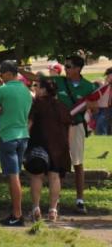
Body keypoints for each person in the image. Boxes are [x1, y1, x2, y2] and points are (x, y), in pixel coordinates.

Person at [0, 60, 33, 226]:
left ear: (8, 73)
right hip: (23, 135)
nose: (1, 76)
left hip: (8, 136)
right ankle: (16, 213)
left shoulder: (3, 89)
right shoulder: (26, 90)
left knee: (13, 176)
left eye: (1, 73)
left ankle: (17, 214)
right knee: (15, 175)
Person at [54, 54, 98, 213]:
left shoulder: (88, 86)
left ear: (78, 69)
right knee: (58, 162)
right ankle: (55, 199)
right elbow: (39, 79)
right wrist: (19, 70)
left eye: (68, 66)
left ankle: (80, 200)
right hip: (60, 127)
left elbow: (96, 107)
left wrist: (91, 105)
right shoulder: (59, 81)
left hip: (77, 126)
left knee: (78, 163)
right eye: (65, 66)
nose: (65, 69)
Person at [27, 76, 73, 222]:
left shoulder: (37, 104)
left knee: (36, 175)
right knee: (55, 176)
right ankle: (53, 210)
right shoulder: (62, 106)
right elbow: (69, 127)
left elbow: (29, 123)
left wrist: (24, 140)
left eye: (38, 86)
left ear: (44, 90)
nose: (35, 89)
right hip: (59, 146)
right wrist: (68, 145)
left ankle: (36, 208)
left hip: (39, 143)